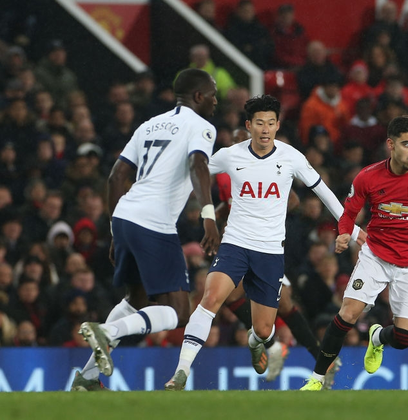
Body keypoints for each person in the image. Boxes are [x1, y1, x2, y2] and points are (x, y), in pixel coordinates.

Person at [165, 94, 366, 390]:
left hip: (270, 252)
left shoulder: (291, 157)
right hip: (234, 244)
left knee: (263, 329)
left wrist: (352, 226)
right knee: (210, 299)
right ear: (249, 125)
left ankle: (257, 341)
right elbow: (194, 171)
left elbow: (322, 191)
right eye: (259, 123)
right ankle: (181, 372)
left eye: (270, 123)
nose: (265, 129)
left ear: (277, 125)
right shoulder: (230, 155)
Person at [70, 68, 221, 391]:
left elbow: (115, 178)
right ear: (198, 96)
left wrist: (114, 230)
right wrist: (208, 215)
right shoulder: (202, 127)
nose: (216, 101)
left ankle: (86, 378)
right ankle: (106, 332)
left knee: (136, 297)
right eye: (212, 94)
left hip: (125, 216)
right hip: (154, 223)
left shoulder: (149, 124)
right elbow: (198, 165)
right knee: (179, 312)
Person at [300, 115, 408, 391]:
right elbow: (349, 211)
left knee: (406, 337)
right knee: (347, 314)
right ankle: (317, 379)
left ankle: (377, 339)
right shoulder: (368, 176)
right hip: (376, 256)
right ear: (390, 145)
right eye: (407, 144)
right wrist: (345, 232)